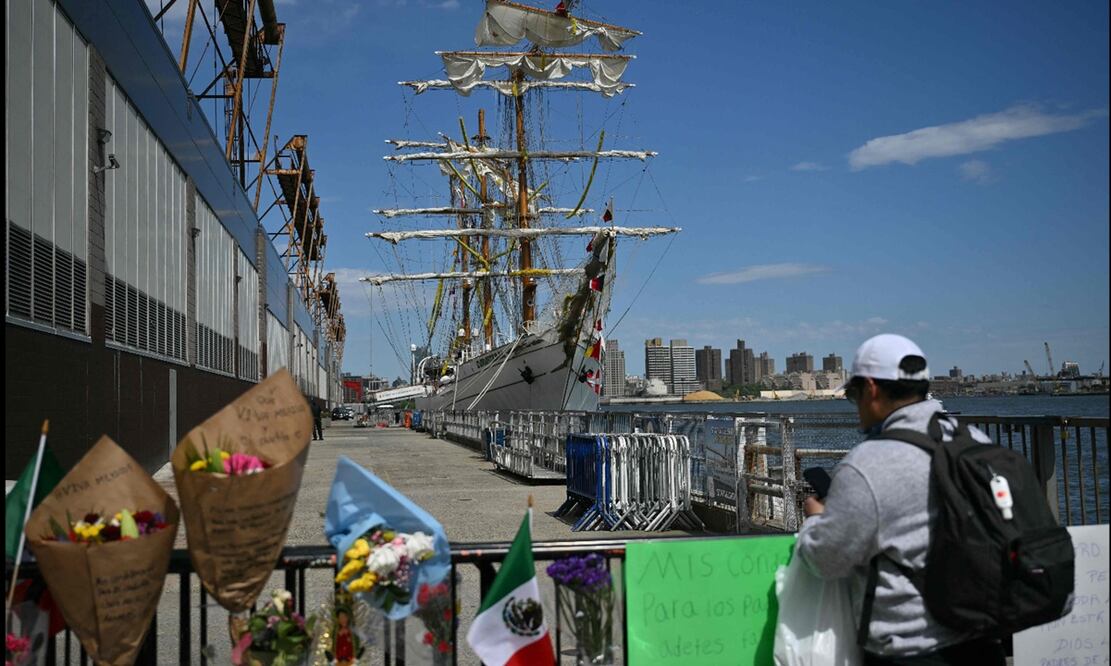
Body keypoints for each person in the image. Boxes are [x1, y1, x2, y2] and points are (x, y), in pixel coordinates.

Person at [795, 334, 1005, 665]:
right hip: (984, 640)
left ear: (871, 390)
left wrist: (816, 519)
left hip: (911, 648)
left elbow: (826, 561)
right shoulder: (975, 440)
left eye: (853, 395)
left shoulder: (867, 462)